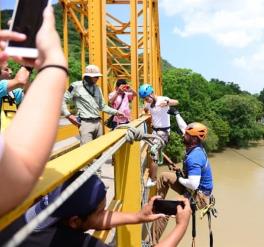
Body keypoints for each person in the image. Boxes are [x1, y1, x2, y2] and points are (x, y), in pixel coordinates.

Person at [0, 171, 191, 247]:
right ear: (74, 221)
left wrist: (138, 216)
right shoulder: (66, 242)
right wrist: (181, 226)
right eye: (101, 211)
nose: (105, 213)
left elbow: (92, 218)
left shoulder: (36, 204)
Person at [0, 6, 68, 217]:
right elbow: (20, 80)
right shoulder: (3, 87)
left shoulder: (11, 93)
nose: (8, 69)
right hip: (13, 157)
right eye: (5, 69)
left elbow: (27, 91)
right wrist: (49, 62)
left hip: (13, 144)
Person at [152, 119, 214, 244]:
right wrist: (176, 114)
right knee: (164, 176)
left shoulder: (194, 157)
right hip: (192, 188)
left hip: (198, 196)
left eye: (186, 134)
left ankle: (153, 242)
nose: (183, 135)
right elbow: (183, 128)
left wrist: (180, 178)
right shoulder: (194, 146)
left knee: (165, 208)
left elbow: (193, 184)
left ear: (194, 139)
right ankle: (157, 202)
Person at [62, 65, 124, 145]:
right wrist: (68, 115)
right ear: (87, 76)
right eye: (95, 76)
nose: (97, 78)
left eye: (98, 76)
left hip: (98, 123)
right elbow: (62, 100)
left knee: (99, 152)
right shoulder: (76, 86)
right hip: (85, 124)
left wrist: (116, 112)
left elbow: (102, 106)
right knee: (87, 152)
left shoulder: (98, 88)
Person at [139, 83, 179, 187]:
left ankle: (153, 179)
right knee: (151, 150)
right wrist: (143, 113)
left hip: (164, 132)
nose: (146, 100)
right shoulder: (149, 103)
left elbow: (176, 102)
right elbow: (146, 109)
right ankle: (157, 163)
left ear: (152, 93)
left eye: (147, 98)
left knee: (153, 151)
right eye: (145, 99)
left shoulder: (162, 99)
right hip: (155, 131)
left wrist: (168, 102)